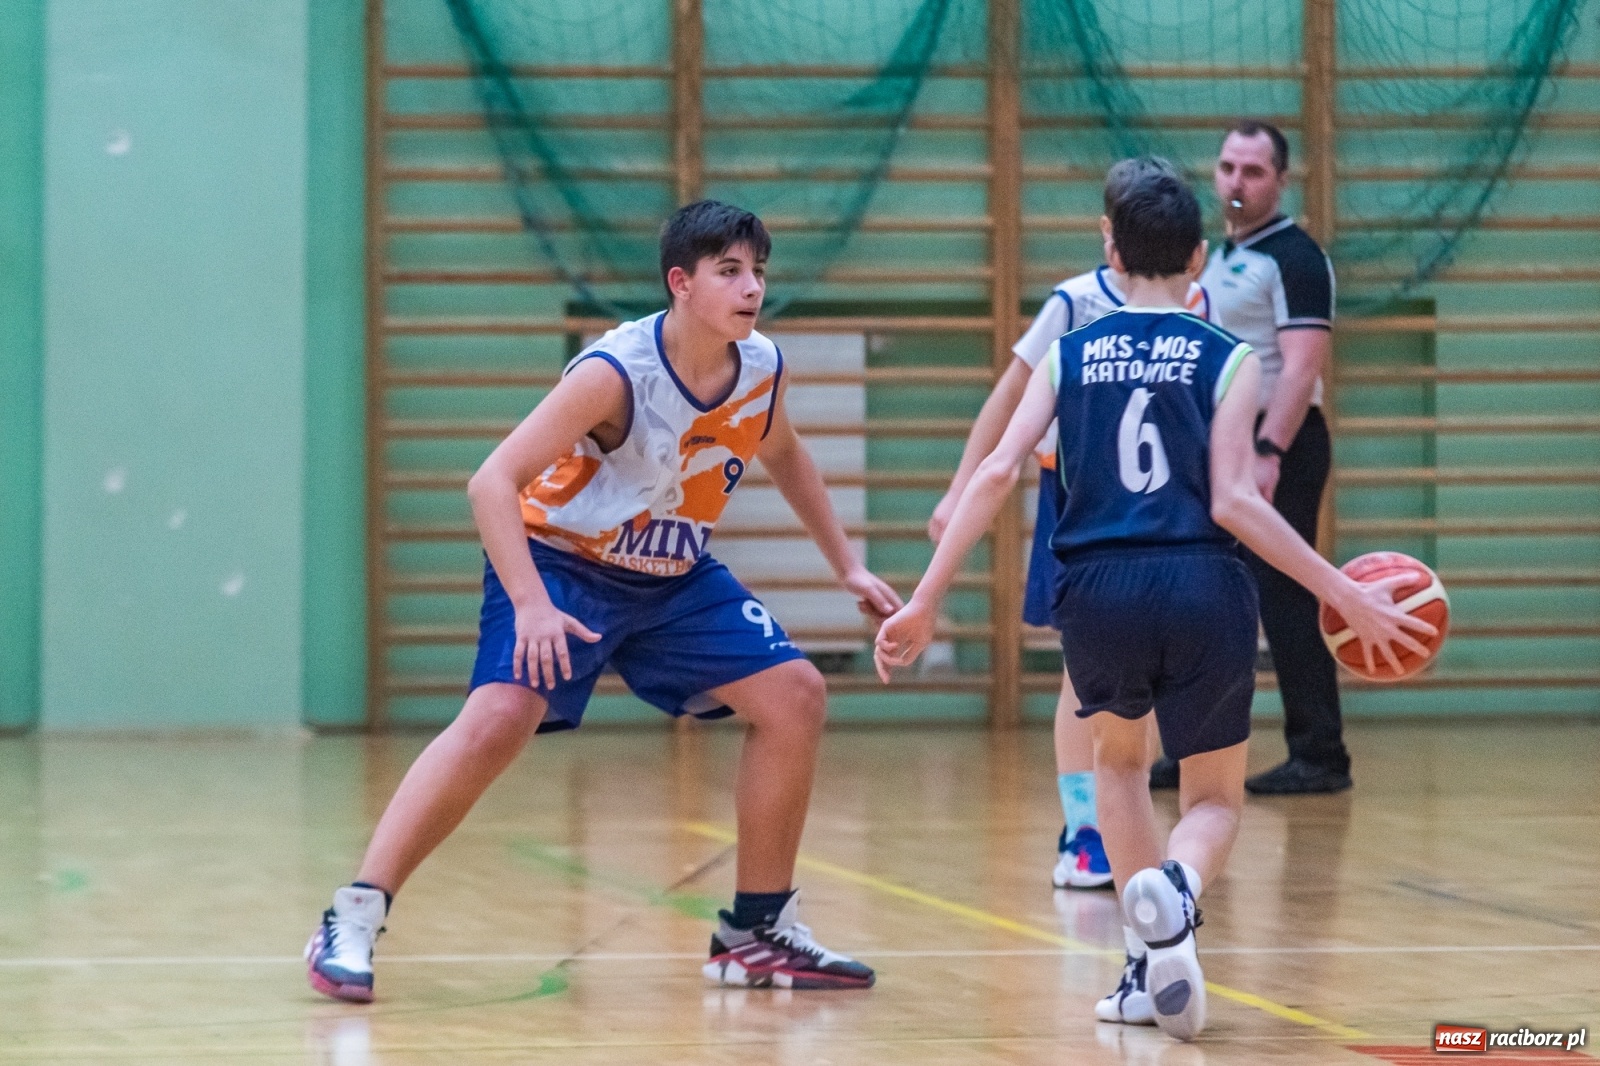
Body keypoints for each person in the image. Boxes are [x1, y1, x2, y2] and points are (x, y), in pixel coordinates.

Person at [873, 170, 1431, 1039]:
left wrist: (925, 598)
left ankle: (1146, 967)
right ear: (1200, 259)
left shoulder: (1069, 350)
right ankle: (1175, 890)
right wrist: (1341, 589)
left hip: (1095, 588)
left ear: (1109, 248)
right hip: (1204, 584)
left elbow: (993, 472)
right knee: (1212, 800)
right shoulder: (1230, 356)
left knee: (1121, 766)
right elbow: (1238, 504)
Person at [304, 200, 902, 1002]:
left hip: (672, 577)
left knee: (796, 696)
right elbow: (491, 482)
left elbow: (787, 455)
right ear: (680, 283)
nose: (752, 287)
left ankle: (755, 933)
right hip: (562, 565)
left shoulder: (760, 366)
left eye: (758, 270)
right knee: (498, 719)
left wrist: (848, 569)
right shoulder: (615, 373)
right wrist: (530, 605)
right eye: (730, 270)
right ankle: (354, 911)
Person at [929, 157, 1210, 891]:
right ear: (1108, 237)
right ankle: (1083, 830)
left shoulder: (1195, 303)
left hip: (1172, 509)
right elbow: (1009, 396)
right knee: (1080, 677)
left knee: (1148, 682)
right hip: (1079, 497)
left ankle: (1131, 827)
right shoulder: (1075, 303)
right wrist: (961, 487)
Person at [1163, 119, 1346, 796]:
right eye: (1227, 167)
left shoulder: (1294, 258)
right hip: (1224, 448)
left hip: (1280, 448)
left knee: (1287, 598)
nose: (1235, 183)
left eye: (1253, 171)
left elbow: (1299, 368)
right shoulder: (1214, 257)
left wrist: (1270, 448)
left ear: (1281, 180)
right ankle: (1196, 749)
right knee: (1211, 599)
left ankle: (1321, 754)